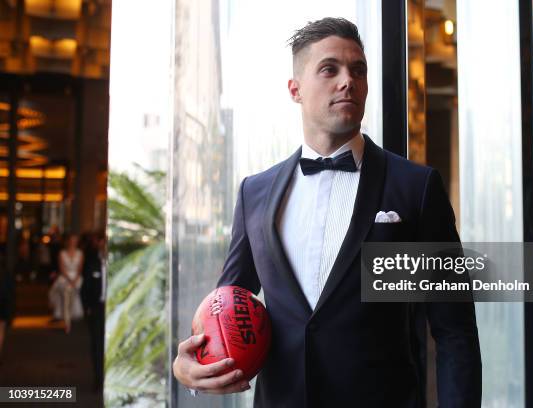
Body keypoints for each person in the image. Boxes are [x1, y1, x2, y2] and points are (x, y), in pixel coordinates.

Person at [173, 17, 481, 407]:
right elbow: (227, 301)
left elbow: (455, 332)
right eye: (329, 69)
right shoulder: (256, 192)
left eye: (358, 70)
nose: (347, 80)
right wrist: (189, 370)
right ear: (295, 89)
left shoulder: (415, 188)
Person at [80, 232, 106, 390]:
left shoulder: (117, 265)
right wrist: (87, 308)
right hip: (97, 308)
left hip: (113, 309)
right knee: (97, 344)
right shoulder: (92, 263)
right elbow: (85, 288)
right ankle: (98, 379)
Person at [48, 233, 84, 333]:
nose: (73, 242)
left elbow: (80, 269)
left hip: (76, 279)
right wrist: (69, 280)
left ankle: (69, 317)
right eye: (72, 240)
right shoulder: (62, 253)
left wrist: (75, 280)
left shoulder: (80, 253)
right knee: (66, 297)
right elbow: (62, 268)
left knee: (72, 299)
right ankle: (67, 323)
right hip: (65, 279)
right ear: (68, 241)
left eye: (75, 240)